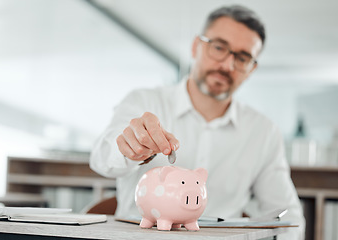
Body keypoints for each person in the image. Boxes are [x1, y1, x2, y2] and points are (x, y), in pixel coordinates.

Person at [90, 5, 305, 239]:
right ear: (196, 46)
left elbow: (287, 215)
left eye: (242, 57)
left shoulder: (264, 132)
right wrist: (130, 148)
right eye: (219, 47)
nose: (227, 65)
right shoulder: (143, 101)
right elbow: (101, 161)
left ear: (251, 69)